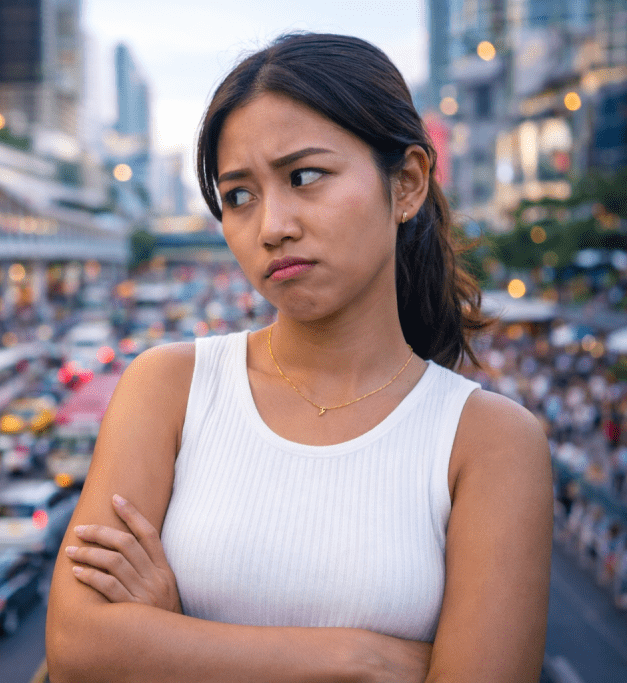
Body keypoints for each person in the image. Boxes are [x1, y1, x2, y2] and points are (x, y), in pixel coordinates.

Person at [45, 32, 553, 683]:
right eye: (238, 195)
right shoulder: (167, 386)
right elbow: (78, 644)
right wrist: (358, 658)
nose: (271, 225)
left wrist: (172, 638)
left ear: (407, 183)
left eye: (304, 177)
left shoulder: (490, 442)